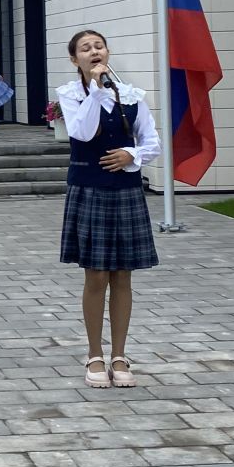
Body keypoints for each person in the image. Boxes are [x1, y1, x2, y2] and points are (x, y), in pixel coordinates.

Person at [57, 28, 161, 389]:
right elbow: (83, 133)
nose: (94, 51)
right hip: (90, 188)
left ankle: (120, 354)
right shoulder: (71, 95)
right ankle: (94, 353)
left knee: (123, 274)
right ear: (75, 60)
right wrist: (97, 90)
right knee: (96, 274)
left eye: (99, 46)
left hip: (125, 189)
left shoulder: (132, 95)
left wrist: (131, 154)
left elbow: (152, 141)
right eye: (85, 49)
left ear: (107, 52)